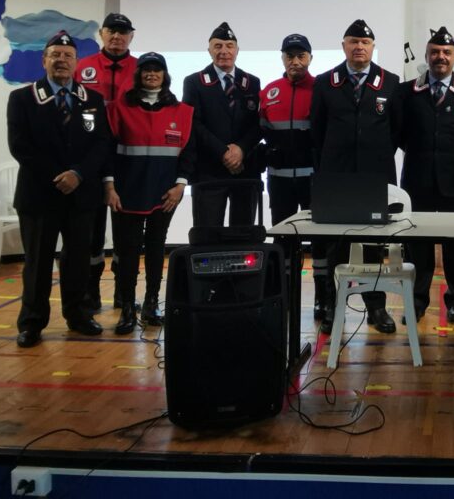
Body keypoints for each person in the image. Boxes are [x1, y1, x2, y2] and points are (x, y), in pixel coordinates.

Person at [7, 30, 110, 347]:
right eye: (55, 55)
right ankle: (32, 323)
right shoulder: (22, 99)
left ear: (77, 62)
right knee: (37, 263)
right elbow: (20, 147)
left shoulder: (92, 100)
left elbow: (101, 144)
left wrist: (78, 174)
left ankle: (78, 316)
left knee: (77, 261)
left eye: (68, 56)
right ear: (44, 61)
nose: (62, 60)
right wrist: (59, 175)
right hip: (39, 195)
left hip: (81, 195)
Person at [310, 19, 400, 334]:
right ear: (344, 46)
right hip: (337, 177)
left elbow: (397, 130)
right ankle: (333, 307)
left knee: (374, 246)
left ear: (373, 47)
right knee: (336, 246)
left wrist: (376, 155)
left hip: (375, 178)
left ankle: (376, 307)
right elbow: (317, 131)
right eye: (353, 42)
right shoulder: (325, 82)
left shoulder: (391, 82)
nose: (359, 47)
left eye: (365, 42)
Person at [396, 26, 454, 324]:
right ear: (426, 55)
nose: (441, 57)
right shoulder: (406, 92)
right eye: (435, 52)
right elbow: (399, 133)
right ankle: (417, 301)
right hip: (416, 179)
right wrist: (422, 153)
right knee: (417, 246)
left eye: (447, 52)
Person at [105, 52, 195, 334]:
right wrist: (109, 186)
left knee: (156, 249)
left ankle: (152, 303)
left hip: (165, 195)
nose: (152, 74)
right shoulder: (119, 108)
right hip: (126, 193)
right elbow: (107, 150)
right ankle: (127, 308)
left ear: (165, 75)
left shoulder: (182, 111)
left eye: (157, 70)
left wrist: (180, 186)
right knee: (127, 251)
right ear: (139, 75)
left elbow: (188, 153)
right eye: (146, 70)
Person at [75, 12, 138, 312]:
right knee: (92, 232)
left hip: (127, 159)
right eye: (111, 31)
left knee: (126, 231)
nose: (117, 36)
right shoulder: (83, 67)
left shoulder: (141, 68)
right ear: (101, 33)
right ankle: (90, 293)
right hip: (91, 159)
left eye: (123, 32)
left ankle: (124, 295)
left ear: (131, 37)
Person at [259, 34, 324, 318]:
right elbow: (260, 131)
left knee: (320, 240)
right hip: (279, 181)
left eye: (301, 56)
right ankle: (282, 296)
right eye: (290, 56)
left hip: (314, 181)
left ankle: (323, 297)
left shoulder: (321, 89)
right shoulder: (269, 91)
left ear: (310, 58)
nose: (295, 61)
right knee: (283, 239)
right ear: (282, 58)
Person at [182, 22, 262, 227]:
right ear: (209, 50)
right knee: (208, 235)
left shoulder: (252, 82)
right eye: (218, 46)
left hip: (245, 170)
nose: (224, 51)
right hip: (209, 171)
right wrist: (224, 152)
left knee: (243, 235)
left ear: (237, 50)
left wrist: (241, 149)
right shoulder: (194, 82)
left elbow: (258, 123)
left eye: (229, 46)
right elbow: (193, 123)